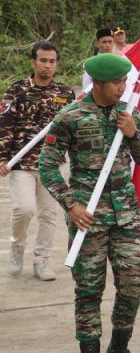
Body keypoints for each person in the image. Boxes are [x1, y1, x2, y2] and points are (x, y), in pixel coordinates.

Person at [38, 53, 140, 353]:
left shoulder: (129, 113)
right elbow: (47, 166)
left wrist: (133, 134)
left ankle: (119, 346)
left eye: (124, 80)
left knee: (132, 285)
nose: (122, 86)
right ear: (98, 83)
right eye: (117, 82)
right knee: (89, 291)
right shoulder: (70, 117)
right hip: (88, 218)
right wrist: (71, 205)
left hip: (126, 217)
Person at [0, 41, 75, 280]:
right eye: (43, 60)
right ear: (33, 62)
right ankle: (17, 248)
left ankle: (42, 260)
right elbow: (5, 125)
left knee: (48, 215)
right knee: (24, 209)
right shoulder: (17, 90)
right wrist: (2, 157)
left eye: (52, 61)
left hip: (51, 165)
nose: (47, 65)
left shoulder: (65, 94)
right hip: (22, 164)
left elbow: (71, 129)